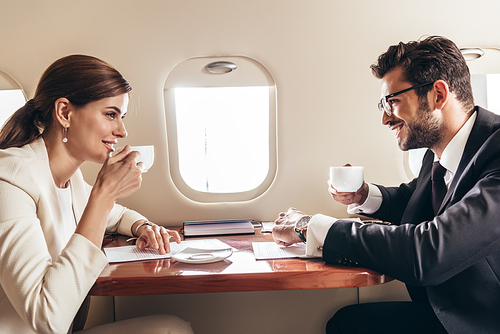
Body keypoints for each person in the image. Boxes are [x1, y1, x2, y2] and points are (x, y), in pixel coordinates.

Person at [272, 36, 500, 334]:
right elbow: (418, 199)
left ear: (438, 95)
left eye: (392, 102)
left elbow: (429, 251)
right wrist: (364, 195)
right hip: (452, 309)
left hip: (483, 321)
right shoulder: (443, 152)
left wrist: (310, 225)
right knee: (347, 324)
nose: (384, 118)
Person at [0, 55, 193, 334]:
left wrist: (145, 227)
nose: (122, 131)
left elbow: (117, 216)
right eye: (110, 114)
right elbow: (47, 318)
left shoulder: (70, 178)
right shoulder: (11, 179)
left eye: (122, 117)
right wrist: (104, 196)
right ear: (65, 113)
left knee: (173, 328)